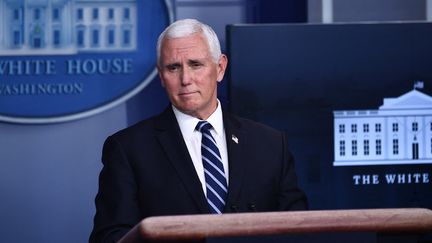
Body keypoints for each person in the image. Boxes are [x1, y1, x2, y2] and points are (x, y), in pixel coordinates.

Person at [90, 18, 307, 243]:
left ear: (220, 68)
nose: (185, 79)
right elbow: (111, 237)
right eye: (173, 67)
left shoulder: (270, 144)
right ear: (161, 76)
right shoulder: (128, 149)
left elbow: (301, 231)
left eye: (196, 64)